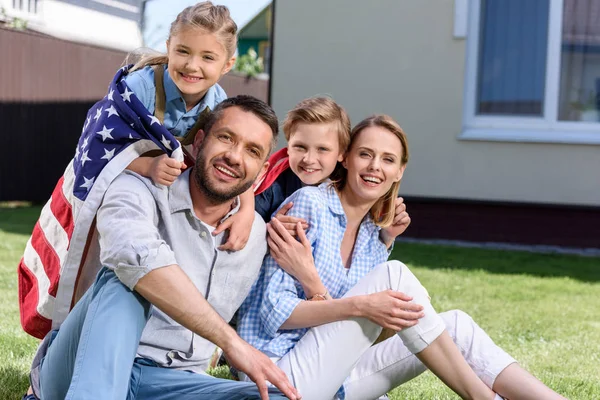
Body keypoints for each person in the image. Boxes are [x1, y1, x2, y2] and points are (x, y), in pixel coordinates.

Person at [237, 115, 567, 400]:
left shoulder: (373, 238)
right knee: (395, 276)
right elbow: (273, 314)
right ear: (347, 159)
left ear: (399, 171)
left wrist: (320, 286)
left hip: (336, 378)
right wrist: (358, 306)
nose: (374, 167)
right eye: (365, 154)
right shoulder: (310, 204)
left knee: (455, 325)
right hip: (280, 377)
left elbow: (374, 332)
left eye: (387, 159)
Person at [32, 96, 299, 400]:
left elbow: (277, 308)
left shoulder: (255, 237)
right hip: (82, 364)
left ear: (261, 171)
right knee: (128, 278)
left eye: (252, 151)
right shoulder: (137, 189)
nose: (235, 157)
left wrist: (310, 278)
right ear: (198, 143)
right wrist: (232, 343)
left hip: (172, 384)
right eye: (226, 138)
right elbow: (134, 257)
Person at [123, 1, 254, 251]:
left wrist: (247, 209)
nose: (192, 66)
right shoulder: (140, 87)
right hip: (120, 185)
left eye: (207, 57)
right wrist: (148, 165)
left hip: (165, 196)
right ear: (169, 48)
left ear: (227, 65)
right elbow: (98, 146)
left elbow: (231, 155)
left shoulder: (219, 104)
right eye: (183, 51)